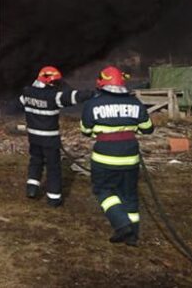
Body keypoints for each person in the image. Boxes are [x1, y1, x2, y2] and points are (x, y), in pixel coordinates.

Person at [80, 66, 154, 246]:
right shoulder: (135, 103)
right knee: (129, 195)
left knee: (103, 191)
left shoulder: (93, 104)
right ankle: (132, 236)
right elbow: (148, 129)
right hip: (130, 157)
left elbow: (85, 131)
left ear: (101, 84)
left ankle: (121, 224)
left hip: (104, 157)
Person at [20, 66, 93, 207]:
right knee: (53, 167)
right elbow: (73, 97)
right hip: (50, 138)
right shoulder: (53, 96)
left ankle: (31, 189)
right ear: (50, 82)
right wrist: (93, 94)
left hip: (33, 137)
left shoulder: (27, 92)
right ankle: (54, 199)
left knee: (35, 161)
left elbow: (20, 102)